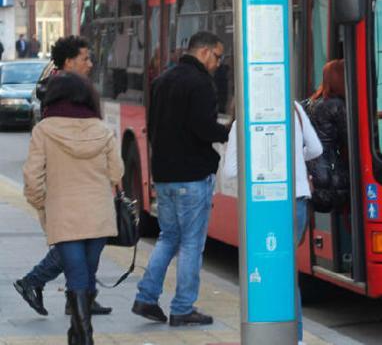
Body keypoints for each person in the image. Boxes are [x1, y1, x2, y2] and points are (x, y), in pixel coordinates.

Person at [132, 31, 229, 326]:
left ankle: (146, 297)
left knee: (168, 237)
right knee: (190, 244)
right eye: (218, 56)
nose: (219, 63)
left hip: (164, 175)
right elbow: (204, 129)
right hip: (191, 176)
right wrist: (229, 132)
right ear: (204, 52)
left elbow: (153, 125)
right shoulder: (201, 84)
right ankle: (183, 307)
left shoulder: (163, 79)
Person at [23, 72, 124, 345]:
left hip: (64, 216)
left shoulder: (44, 130)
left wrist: (43, 204)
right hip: (99, 216)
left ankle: (84, 338)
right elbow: (117, 173)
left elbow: (32, 178)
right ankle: (78, 335)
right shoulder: (102, 130)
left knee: (77, 276)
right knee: (86, 275)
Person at [13, 35, 109, 317]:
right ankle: (35, 281)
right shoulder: (62, 91)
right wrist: (41, 199)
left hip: (74, 186)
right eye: (85, 59)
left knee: (82, 242)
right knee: (76, 243)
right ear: (68, 62)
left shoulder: (64, 86)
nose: (90, 64)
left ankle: (79, 297)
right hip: (67, 187)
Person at [222, 100, 322, 345]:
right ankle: (295, 338)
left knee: (266, 269)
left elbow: (230, 171)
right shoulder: (295, 108)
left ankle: (268, 333)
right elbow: (316, 149)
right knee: (287, 269)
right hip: (297, 200)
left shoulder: (242, 120)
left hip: (263, 205)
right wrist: (296, 159)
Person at [304, 59, 349, 213]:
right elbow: (350, 140)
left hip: (312, 174)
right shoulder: (337, 105)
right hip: (332, 174)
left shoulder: (311, 102)